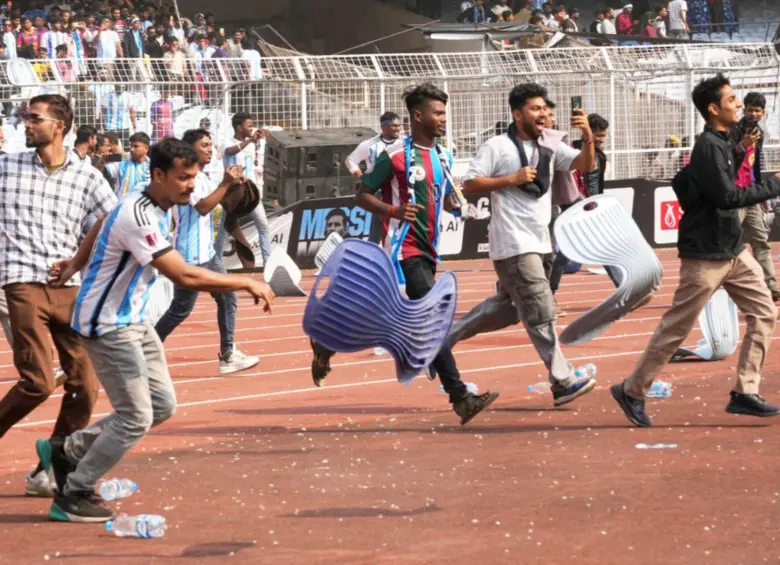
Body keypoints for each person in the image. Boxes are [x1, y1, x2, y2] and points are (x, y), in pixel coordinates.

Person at [37, 138, 275, 522]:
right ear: (160, 175)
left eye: (194, 176)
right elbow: (181, 274)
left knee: (161, 406)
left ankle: (68, 449)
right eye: (183, 177)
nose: (191, 185)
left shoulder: (149, 201)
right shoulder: (139, 215)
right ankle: (75, 491)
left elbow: (101, 222)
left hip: (134, 319)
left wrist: (73, 263)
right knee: (135, 417)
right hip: (107, 325)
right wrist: (245, 282)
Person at [312, 83, 500, 426]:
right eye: (437, 113)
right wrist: (394, 211)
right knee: (434, 320)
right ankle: (460, 397)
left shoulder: (442, 155)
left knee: (373, 313)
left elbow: (443, 198)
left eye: (444, 112)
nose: (444, 119)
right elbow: (361, 195)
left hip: (429, 248)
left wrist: (459, 207)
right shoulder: (395, 156)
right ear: (418, 116)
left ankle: (324, 342)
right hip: (401, 248)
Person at [611, 74, 780, 427]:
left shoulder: (723, 141)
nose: (739, 105)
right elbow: (726, 197)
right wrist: (773, 185)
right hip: (705, 254)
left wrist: (742, 148)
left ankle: (745, 391)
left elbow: (708, 178)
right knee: (676, 328)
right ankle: (631, 390)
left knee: (764, 314)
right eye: (732, 100)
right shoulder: (707, 146)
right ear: (713, 109)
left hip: (733, 250)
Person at [0, 94, 116, 496]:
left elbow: (110, 221)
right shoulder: (6, 166)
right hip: (21, 282)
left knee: (85, 382)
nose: (26, 124)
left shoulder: (87, 177)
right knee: (38, 381)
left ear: (59, 126)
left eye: (34, 118)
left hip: (69, 288)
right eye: (24, 118)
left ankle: (49, 464)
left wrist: (80, 258)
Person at [461, 83, 598, 407]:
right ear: (517, 113)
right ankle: (562, 381)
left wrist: (588, 135)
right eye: (536, 109)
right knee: (541, 311)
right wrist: (511, 179)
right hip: (513, 242)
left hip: (539, 241)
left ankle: (438, 343)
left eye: (546, 109)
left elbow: (583, 165)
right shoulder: (497, 146)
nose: (543, 114)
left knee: (506, 311)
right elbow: (469, 183)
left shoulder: (548, 145)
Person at [155, 129, 260, 374]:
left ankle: (228, 354)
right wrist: (225, 183)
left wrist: (233, 186)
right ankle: (145, 350)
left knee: (228, 297)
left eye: (211, 144)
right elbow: (203, 207)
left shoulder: (201, 177)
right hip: (190, 256)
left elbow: (216, 200)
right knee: (180, 309)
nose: (210, 149)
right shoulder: (186, 178)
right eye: (204, 145)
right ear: (191, 149)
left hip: (207, 254)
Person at [729, 92, 780, 302]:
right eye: (749, 109)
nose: (753, 113)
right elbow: (725, 158)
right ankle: (715, 286)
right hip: (733, 194)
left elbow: (755, 165)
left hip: (751, 194)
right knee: (727, 242)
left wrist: (762, 194)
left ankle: (771, 287)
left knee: (760, 241)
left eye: (757, 110)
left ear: (763, 113)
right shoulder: (733, 130)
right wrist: (741, 144)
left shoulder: (760, 132)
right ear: (744, 110)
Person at [215, 112, 271, 265]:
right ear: (239, 127)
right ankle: (216, 263)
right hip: (232, 193)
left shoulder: (251, 145)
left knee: (264, 226)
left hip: (249, 193)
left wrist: (261, 138)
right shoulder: (227, 141)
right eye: (249, 126)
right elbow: (229, 151)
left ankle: (268, 264)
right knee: (223, 230)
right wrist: (250, 140)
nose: (251, 128)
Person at [345, 112, 404, 178]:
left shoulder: (404, 143)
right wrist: (362, 178)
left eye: (399, 125)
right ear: (383, 127)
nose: (398, 129)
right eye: (394, 126)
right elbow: (350, 160)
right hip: (378, 187)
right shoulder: (370, 145)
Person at [103, 131, 150, 197]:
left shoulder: (152, 168)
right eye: (131, 146)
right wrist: (102, 161)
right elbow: (100, 172)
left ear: (146, 148)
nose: (132, 149)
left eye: (136, 146)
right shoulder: (122, 165)